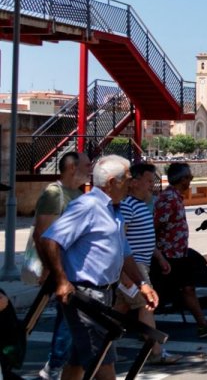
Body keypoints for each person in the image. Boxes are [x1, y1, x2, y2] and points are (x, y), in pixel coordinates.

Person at [38, 155, 160, 380]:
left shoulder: (115, 209)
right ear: (112, 182)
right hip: (84, 294)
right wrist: (61, 281)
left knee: (78, 361)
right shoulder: (88, 206)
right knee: (103, 362)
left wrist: (142, 284)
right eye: (128, 179)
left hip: (104, 293)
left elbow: (124, 252)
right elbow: (50, 239)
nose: (131, 183)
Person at [29, 152, 88, 380]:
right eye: (87, 164)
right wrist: (50, 269)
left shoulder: (78, 194)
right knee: (67, 320)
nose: (90, 168)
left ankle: (60, 366)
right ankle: (54, 367)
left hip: (74, 268)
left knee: (71, 320)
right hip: (61, 269)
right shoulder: (54, 193)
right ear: (72, 167)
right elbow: (42, 233)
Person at [115, 163, 175, 365]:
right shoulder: (127, 205)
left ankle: (102, 346)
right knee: (147, 304)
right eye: (149, 181)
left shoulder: (141, 205)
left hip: (142, 264)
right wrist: (125, 272)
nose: (152, 185)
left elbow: (145, 237)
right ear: (134, 182)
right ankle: (156, 351)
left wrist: (159, 257)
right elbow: (120, 240)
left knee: (121, 307)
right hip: (134, 267)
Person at [153, 163, 207, 337]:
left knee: (188, 288)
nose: (190, 181)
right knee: (158, 292)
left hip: (179, 253)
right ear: (182, 179)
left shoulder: (176, 197)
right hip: (168, 255)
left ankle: (202, 324)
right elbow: (156, 224)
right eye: (189, 177)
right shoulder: (169, 198)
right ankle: (144, 328)